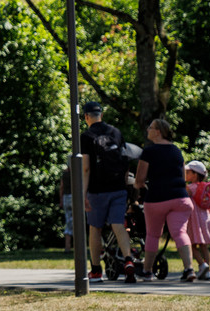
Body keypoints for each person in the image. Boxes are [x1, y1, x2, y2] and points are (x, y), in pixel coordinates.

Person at [79, 102, 135, 283]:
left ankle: (96, 270)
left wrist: (83, 194)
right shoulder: (116, 132)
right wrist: (125, 186)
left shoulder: (86, 137)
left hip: (97, 190)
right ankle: (128, 260)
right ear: (101, 114)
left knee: (95, 227)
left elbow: (86, 168)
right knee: (118, 224)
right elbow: (125, 161)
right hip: (119, 187)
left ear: (87, 117)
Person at [135, 119, 197, 282]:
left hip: (157, 199)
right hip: (180, 199)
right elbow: (182, 177)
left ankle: (147, 271)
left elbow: (139, 180)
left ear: (158, 132)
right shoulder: (176, 151)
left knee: (153, 235)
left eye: (151, 127)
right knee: (180, 233)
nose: (148, 129)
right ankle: (189, 269)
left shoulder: (148, 152)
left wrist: (138, 186)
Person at [185, 160, 210, 280]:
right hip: (206, 218)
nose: (185, 174)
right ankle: (208, 270)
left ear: (194, 174)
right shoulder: (204, 188)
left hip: (195, 220)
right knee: (204, 246)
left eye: (187, 172)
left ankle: (202, 264)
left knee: (190, 245)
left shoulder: (190, 187)